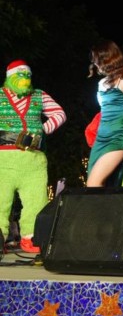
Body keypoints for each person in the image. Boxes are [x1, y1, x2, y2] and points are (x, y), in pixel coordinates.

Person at [0, 60, 66, 254]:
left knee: (36, 199)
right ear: (9, 77)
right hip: (4, 158)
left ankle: (31, 236)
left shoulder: (39, 95)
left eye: (26, 75)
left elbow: (59, 114)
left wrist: (42, 130)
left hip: (33, 159)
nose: (23, 79)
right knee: (1, 199)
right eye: (18, 75)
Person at [86, 40, 123, 188]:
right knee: (95, 185)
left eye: (97, 60)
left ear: (107, 59)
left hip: (118, 137)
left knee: (94, 183)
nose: (95, 64)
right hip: (101, 138)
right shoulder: (101, 83)